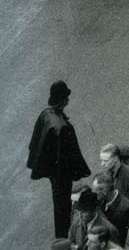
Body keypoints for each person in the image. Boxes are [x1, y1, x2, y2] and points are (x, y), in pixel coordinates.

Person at [27, 80, 90, 237]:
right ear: (63, 100)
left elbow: (36, 141)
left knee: (59, 204)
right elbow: (68, 156)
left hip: (51, 170)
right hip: (61, 173)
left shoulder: (46, 114)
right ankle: (64, 235)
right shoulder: (62, 127)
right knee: (63, 205)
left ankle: (62, 234)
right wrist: (77, 172)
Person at [99, 144, 129, 215]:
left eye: (105, 161)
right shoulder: (106, 174)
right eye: (101, 160)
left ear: (116, 158)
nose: (102, 164)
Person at [92, 172, 129, 245]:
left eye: (95, 190)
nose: (93, 193)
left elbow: (127, 238)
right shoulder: (100, 201)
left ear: (104, 191)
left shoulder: (127, 208)